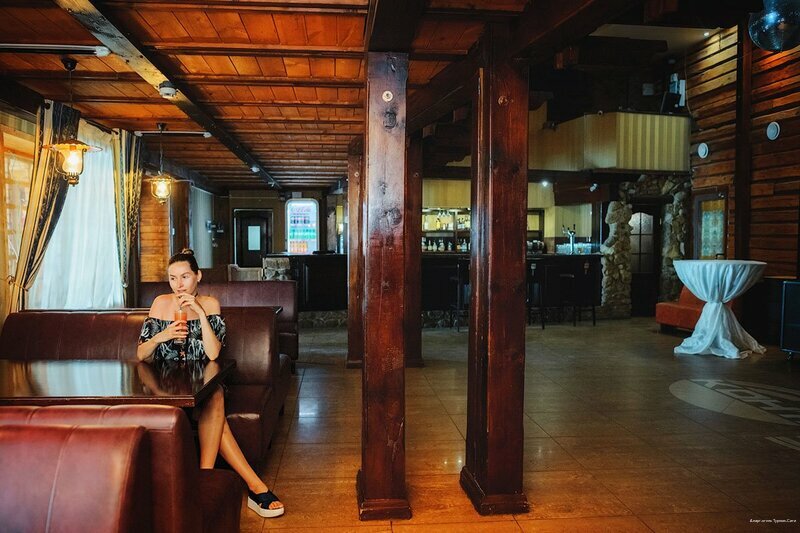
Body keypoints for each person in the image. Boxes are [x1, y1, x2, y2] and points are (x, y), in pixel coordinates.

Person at [136, 248, 284, 518]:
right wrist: (162, 336)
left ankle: (202, 481)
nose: (179, 285)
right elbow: (141, 354)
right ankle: (252, 487)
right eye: (172, 278)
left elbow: (214, 354)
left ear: (198, 276)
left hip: (202, 383)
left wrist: (200, 313)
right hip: (165, 386)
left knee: (215, 395)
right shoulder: (160, 303)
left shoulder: (210, 303)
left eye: (185, 277)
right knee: (219, 421)